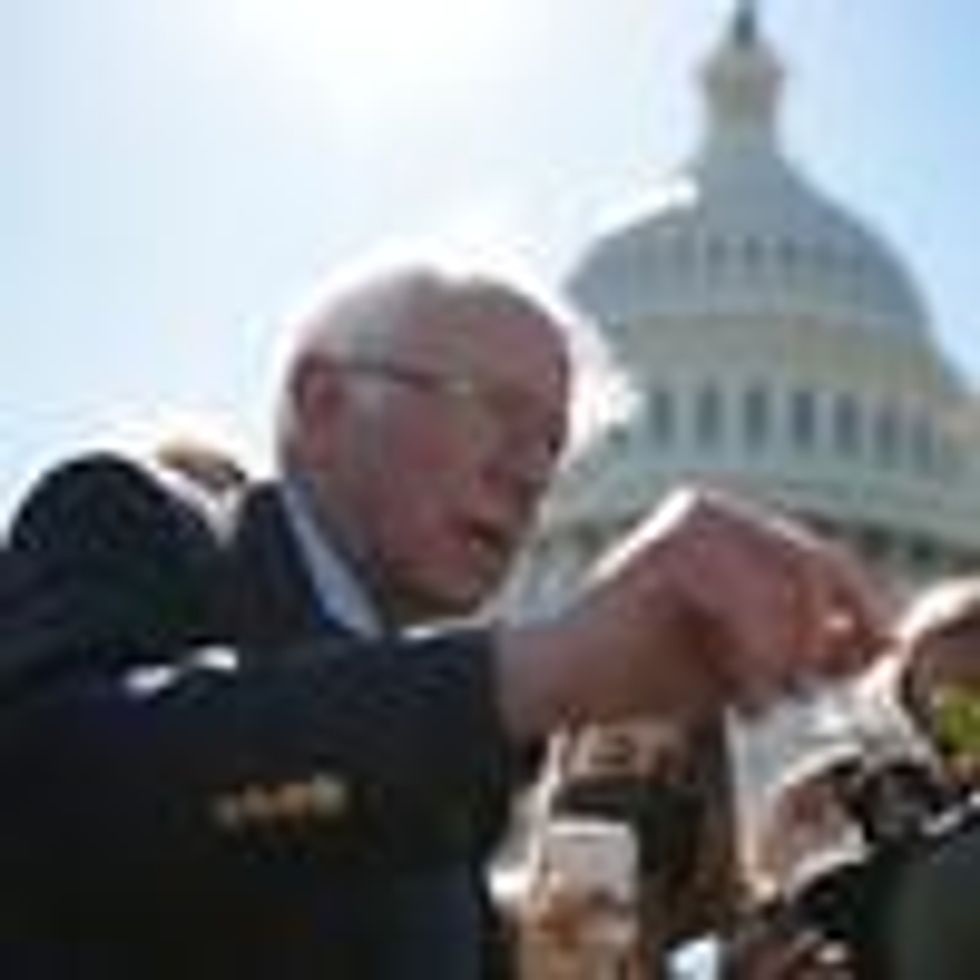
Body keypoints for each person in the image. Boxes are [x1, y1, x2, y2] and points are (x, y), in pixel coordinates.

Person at [0, 261, 885, 978]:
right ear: (322, 400)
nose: (529, 473)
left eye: (552, 444)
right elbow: (55, 780)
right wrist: (533, 674)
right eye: (497, 409)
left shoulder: (438, 768)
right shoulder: (138, 520)